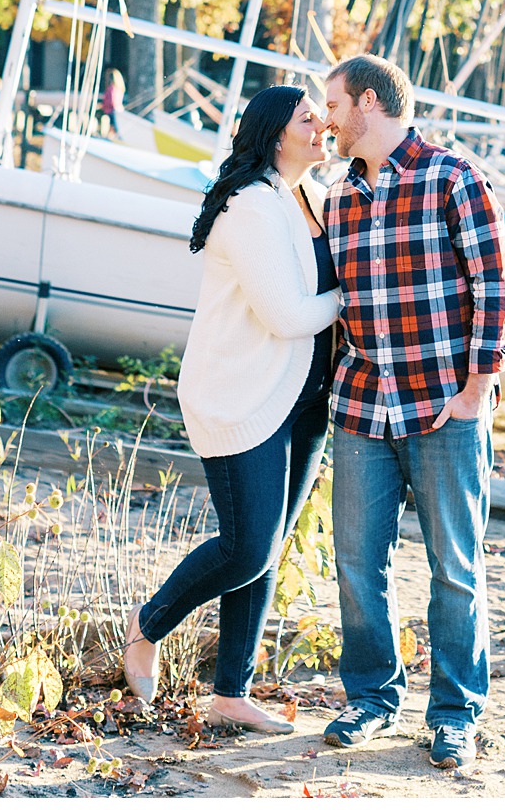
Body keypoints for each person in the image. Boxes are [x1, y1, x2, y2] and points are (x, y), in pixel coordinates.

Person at [122, 85, 339, 728]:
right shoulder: (251, 206)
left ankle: (230, 694)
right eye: (308, 117)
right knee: (247, 548)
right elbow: (285, 314)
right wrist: (357, 302)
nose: (322, 123)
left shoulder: (309, 197)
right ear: (275, 135)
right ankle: (148, 623)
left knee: (266, 548)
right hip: (243, 391)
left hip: (305, 399)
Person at [321, 54, 505, 776]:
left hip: (445, 412)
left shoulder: (453, 178)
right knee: (357, 564)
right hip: (363, 409)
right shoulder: (341, 195)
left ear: (367, 102)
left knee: (455, 569)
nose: (328, 118)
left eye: (333, 104)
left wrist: (475, 390)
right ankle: (371, 698)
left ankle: (455, 714)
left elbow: (493, 288)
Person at [100, 68, 125, 135]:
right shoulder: (119, 88)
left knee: (113, 128)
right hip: (118, 110)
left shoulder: (112, 88)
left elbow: (112, 101)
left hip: (112, 111)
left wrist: (103, 106)